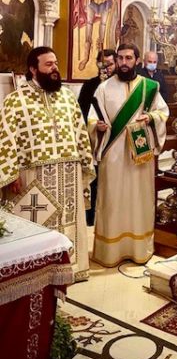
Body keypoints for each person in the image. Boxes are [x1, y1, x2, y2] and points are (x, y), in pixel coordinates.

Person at [0, 46, 95, 281]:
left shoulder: (67, 97)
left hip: (69, 175)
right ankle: (37, 275)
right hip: (33, 177)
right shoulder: (15, 101)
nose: (55, 68)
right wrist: (11, 173)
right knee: (38, 224)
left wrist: (85, 162)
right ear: (33, 69)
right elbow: (5, 138)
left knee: (68, 221)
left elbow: (80, 132)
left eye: (56, 63)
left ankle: (72, 268)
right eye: (48, 64)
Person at [88, 43, 168, 267]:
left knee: (139, 198)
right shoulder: (103, 88)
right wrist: (97, 127)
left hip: (139, 154)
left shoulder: (149, 87)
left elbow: (162, 112)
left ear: (137, 61)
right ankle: (110, 251)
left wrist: (150, 118)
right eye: (120, 58)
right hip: (113, 154)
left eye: (129, 58)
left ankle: (139, 248)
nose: (124, 62)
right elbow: (92, 118)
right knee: (112, 200)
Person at [78, 48, 116, 226]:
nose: (106, 68)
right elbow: (81, 112)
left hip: (115, 140)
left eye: (110, 64)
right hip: (93, 140)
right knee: (94, 179)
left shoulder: (120, 86)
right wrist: (93, 126)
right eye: (102, 64)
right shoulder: (89, 85)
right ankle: (91, 217)